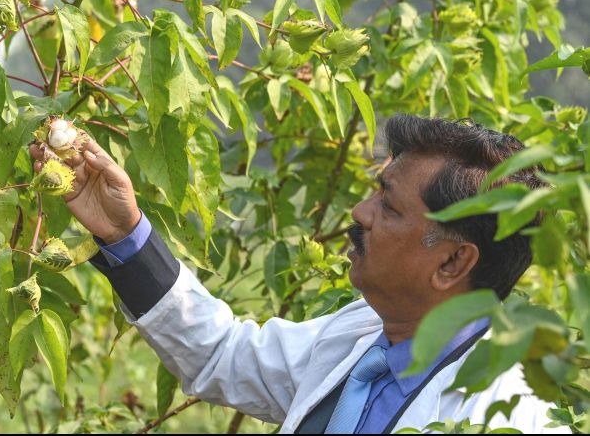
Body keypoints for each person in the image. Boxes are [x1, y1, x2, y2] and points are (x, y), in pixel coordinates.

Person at [29, 114, 568, 434]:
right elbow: (223, 355)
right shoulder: (362, 337)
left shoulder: (511, 416)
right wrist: (125, 233)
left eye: (389, 206)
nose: (360, 214)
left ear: (452, 262)